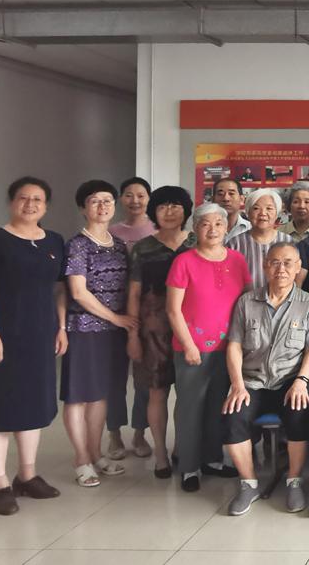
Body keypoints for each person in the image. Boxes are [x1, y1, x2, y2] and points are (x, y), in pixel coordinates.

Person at [0, 177, 67, 515]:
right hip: (3, 338)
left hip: (40, 338)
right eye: (23, 198)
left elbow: (60, 289)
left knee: (33, 407)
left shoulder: (53, 241)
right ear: (12, 202)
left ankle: (27, 475)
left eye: (37, 199)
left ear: (46, 206)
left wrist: (61, 327)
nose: (30, 204)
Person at [222, 243, 309, 516]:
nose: (281, 269)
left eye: (288, 263)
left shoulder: (308, 303)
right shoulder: (247, 302)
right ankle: (249, 483)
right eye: (275, 262)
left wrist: (302, 381)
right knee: (233, 416)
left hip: (290, 380)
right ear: (265, 266)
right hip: (252, 381)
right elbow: (234, 345)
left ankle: (294, 480)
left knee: (299, 413)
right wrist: (237, 385)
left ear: (298, 267)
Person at [166, 203, 251, 492]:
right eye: (205, 224)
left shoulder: (237, 260)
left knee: (218, 405)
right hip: (192, 348)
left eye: (218, 223)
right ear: (195, 228)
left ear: (227, 228)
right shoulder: (184, 261)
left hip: (229, 348)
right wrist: (189, 345)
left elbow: (246, 301)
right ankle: (189, 466)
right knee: (190, 407)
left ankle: (213, 459)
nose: (212, 229)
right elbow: (173, 310)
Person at [60, 180, 133, 487]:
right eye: (94, 201)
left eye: (107, 200)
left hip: (113, 333)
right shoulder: (78, 245)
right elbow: (78, 292)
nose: (102, 206)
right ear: (83, 208)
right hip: (84, 329)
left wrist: (119, 322)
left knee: (101, 395)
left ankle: (96, 453)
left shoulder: (119, 245)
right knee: (79, 396)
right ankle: (81, 459)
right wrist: (115, 318)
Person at [126, 186, 194, 479]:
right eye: (162, 206)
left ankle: (180, 447)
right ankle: (160, 455)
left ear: (186, 210)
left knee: (186, 394)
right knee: (156, 392)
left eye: (175, 205)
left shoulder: (196, 243)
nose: (169, 211)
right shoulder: (143, 248)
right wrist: (132, 335)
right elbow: (133, 294)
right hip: (153, 331)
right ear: (153, 212)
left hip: (191, 330)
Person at [107, 176, 155, 461]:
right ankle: (114, 433)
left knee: (143, 379)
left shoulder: (156, 230)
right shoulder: (111, 231)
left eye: (141, 195)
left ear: (149, 199)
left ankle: (139, 432)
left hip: (147, 314)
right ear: (121, 199)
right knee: (114, 378)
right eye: (128, 195)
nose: (135, 200)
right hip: (113, 313)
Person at [227, 188, 294, 288]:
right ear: (247, 213)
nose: (263, 213)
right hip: (244, 297)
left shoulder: (289, 242)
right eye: (256, 208)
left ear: (277, 213)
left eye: (269, 208)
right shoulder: (234, 244)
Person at [213, 177, 251, 243]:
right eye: (220, 194)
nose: (226, 198)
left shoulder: (251, 229)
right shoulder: (203, 230)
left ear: (242, 199)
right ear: (213, 200)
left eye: (231, 193)